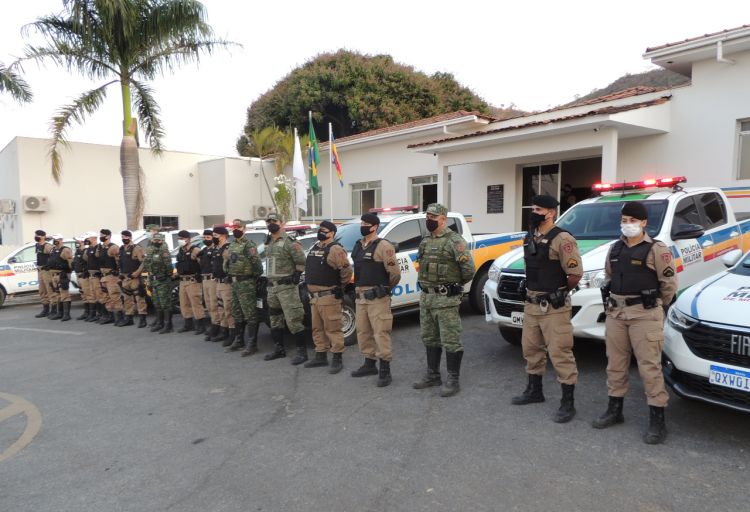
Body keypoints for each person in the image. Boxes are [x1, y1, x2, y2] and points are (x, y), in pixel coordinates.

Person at [593, 201, 677, 444]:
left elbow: (669, 285)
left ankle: (657, 420)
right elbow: (609, 276)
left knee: (649, 366)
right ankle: (614, 410)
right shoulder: (615, 249)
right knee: (615, 364)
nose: (627, 224)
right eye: (624, 220)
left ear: (643, 223)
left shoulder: (656, 249)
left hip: (645, 314)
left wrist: (656, 306)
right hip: (616, 314)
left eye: (633, 220)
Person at [511, 194, 582, 423]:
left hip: (554, 306)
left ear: (551, 212)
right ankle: (535, 391)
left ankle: (567, 402)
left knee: (560, 353)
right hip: (532, 304)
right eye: (533, 207)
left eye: (539, 209)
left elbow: (575, 274)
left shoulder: (563, 239)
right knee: (530, 348)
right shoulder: (529, 236)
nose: (534, 212)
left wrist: (561, 291)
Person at [412, 204, 475, 397]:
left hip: (446, 299)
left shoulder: (454, 241)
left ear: (443, 219)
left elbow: (469, 270)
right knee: (429, 337)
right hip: (427, 298)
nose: (429, 219)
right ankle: (433, 375)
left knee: (450, 340)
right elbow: (420, 264)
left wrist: (453, 287)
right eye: (427, 216)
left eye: (433, 216)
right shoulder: (425, 241)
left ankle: (453, 379)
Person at [350, 213, 401, 386]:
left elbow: (394, 274)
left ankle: (385, 370)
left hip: (377, 298)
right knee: (363, 332)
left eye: (366, 223)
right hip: (360, 298)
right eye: (362, 222)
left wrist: (384, 289)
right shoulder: (358, 245)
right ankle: (369, 363)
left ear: (374, 227)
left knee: (381, 333)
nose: (363, 225)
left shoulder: (383, 246)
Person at [303, 220, 354, 374]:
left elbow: (346, 271)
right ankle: (320, 355)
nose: (321, 232)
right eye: (320, 229)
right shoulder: (315, 247)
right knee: (317, 328)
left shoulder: (335, 249)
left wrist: (340, 287)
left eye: (324, 230)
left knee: (333, 328)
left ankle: (337, 358)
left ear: (332, 233)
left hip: (328, 296)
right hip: (314, 297)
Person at [262, 213, 307, 363]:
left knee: (293, 319)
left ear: (282, 223)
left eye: (274, 221)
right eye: (268, 221)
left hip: (286, 288)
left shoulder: (289, 242)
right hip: (272, 288)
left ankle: (302, 352)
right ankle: (279, 349)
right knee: (275, 319)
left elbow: (301, 260)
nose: (271, 223)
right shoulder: (268, 242)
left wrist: (296, 274)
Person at [224, 219, 263, 354]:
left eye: (238, 227)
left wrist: (253, 277)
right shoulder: (232, 245)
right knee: (236, 311)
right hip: (234, 283)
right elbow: (228, 262)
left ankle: (252, 344)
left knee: (250, 313)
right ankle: (239, 340)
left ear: (244, 229)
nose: (236, 229)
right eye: (234, 227)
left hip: (246, 283)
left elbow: (256, 263)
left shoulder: (248, 244)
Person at [175, 230, 205, 333]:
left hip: (193, 280)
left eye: (182, 239)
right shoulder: (181, 250)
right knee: (184, 303)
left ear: (188, 239)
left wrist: (199, 275)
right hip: (183, 280)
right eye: (179, 239)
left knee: (196, 303)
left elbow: (203, 264)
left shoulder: (195, 250)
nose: (180, 240)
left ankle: (200, 325)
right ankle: (188, 324)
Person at [144, 233, 174, 333]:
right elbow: (147, 263)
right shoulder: (150, 250)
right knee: (157, 302)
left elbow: (169, 266)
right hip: (154, 279)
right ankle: (159, 323)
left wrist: (166, 275)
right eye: (155, 240)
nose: (157, 242)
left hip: (163, 280)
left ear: (162, 241)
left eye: (159, 240)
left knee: (165, 303)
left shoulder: (164, 251)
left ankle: (168, 325)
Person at [118, 230, 148, 327]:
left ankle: (143, 319)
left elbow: (144, 262)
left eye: (126, 237)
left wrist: (137, 273)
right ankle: (129, 318)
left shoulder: (137, 248)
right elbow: (120, 263)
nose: (124, 239)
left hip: (135, 277)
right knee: (127, 299)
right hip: (125, 277)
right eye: (122, 237)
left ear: (130, 237)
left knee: (139, 298)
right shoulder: (121, 248)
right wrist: (120, 274)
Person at [210, 226, 235, 344]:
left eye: (216, 236)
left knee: (228, 309)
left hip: (227, 284)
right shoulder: (217, 249)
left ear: (223, 236)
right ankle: (224, 331)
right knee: (221, 308)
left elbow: (234, 265)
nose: (213, 238)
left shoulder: (229, 248)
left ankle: (232, 334)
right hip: (218, 282)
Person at [46, 234, 74, 321]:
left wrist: (67, 273)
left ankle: (66, 314)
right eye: (53, 239)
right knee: (58, 294)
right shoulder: (54, 249)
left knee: (64, 294)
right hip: (54, 275)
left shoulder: (65, 250)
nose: (54, 241)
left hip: (62, 274)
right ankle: (60, 313)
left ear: (60, 240)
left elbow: (70, 262)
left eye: (56, 239)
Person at [198, 229, 220, 340]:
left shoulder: (216, 250)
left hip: (212, 279)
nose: (206, 239)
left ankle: (217, 326)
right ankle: (213, 323)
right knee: (207, 304)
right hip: (204, 279)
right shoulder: (204, 250)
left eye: (208, 237)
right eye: (204, 238)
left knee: (214, 304)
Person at [97, 229, 122, 325]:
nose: (101, 236)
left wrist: (117, 271)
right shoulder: (102, 247)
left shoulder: (113, 247)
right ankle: (110, 316)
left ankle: (119, 317)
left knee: (115, 296)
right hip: (104, 276)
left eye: (102, 235)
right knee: (106, 297)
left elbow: (119, 260)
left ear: (108, 236)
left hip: (111, 276)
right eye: (100, 234)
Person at [82, 232, 103, 322]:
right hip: (90, 275)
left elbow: (99, 258)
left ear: (94, 238)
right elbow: (85, 258)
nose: (87, 240)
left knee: (99, 295)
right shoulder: (89, 249)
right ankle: (97, 314)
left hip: (97, 275)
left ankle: (102, 314)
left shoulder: (99, 247)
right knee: (93, 295)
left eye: (88, 238)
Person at [72, 235, 93, 320]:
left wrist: (86, 272)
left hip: (84, 275)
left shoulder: (85, 251)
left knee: (88, 294)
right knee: (83, 294)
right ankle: (86, 312)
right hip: (78, 275)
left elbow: (89, 264)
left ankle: (92, 313)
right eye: (76, 241)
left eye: (78, 241)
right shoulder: (77, 251)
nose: (76, 243)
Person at [33, 230, 53, 318]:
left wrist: (49, 266)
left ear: (43, 236)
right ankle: (45, 309)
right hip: (40, 270)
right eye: (36, 235)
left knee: (49, 290)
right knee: (42, 290)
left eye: (37, 235)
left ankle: (53, 309)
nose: (36, 236)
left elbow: (53, 257)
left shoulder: (47, 246)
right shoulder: (37, 245)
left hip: (46, 270)